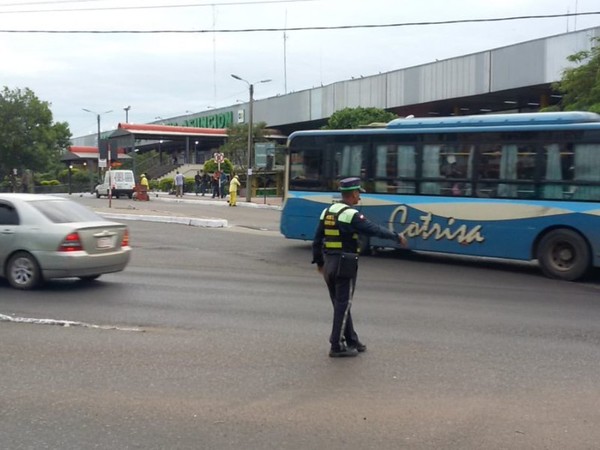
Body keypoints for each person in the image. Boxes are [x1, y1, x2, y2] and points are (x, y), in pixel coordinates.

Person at [312, 177, 408, 358]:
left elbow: (317, 240)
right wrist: (396, 236)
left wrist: (319, 263)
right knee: (343, 305)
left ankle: (352, 340)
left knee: (341, 304)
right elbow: (374, 229)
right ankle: (336, 345)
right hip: (345, 264)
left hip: (329, 263)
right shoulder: (351, 215)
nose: (359, 198)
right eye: (359, 194)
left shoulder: (328, 211)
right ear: (354, 193)